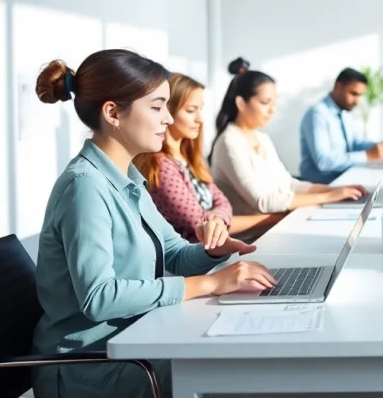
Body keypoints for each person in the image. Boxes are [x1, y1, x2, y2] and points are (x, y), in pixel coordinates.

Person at [30, 50, 276, 398]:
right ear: (113, 112)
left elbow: (173, 252)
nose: (168, 118)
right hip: (92, 367)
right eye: (157, 106)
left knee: (239, 363)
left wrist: (210, 253)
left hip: (136, 342)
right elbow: (99, 297)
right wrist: (208, 285)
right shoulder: (84, 186)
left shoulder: (125, 176)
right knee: (229, 372)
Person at [134, 73, 283, 243]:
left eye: (200, 109)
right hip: (191, 261)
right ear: (167, 112)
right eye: (191, 110)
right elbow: (198, 222)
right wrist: (272, 219)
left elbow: (223, 203)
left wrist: (215, 219)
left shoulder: (189, 159)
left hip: (211, 251)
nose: (199, 119)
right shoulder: (160, 166)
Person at [210, 58, 365, 216]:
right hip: (252, 237)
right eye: (265, 103)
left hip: (276, 224)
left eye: (274, 103)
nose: (272, 110)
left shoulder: (262, 138)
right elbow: (263, 202)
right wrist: (328, 197)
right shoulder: (229, 142)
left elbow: (288, 184)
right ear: (241, 103)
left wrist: (338, 190)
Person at [298, 67, 383, 183]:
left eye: (360, 96)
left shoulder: (344, 112)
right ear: (338, 86)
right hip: (323, 186)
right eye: (354, 94)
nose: (357, 101)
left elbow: (354, 143)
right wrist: (368, 156)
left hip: (345, 178)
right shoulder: (317, 114)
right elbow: (323, 162)